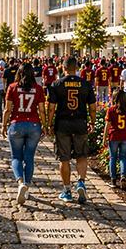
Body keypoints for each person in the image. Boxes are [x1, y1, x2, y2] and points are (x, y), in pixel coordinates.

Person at [47, 56, 97, 204]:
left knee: (64, 158)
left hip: (63, 124)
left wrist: (49, 124)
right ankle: (81, 182)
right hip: (80, 123)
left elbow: (51, 108)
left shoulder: (57, 84)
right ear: (77, 68)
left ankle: (67, 190)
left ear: (63, 68)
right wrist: (93, 122)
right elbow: (93, 108)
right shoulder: (85, 84)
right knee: (81, 156)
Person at [1, 63, 47, 205]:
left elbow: (7, 109)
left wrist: (3, 125)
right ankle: (27, 186)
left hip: (16, 124)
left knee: (16, 157)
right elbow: (41, 110)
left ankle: (20, 182)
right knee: (29, 158)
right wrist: (44, 125)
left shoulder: (12, 87)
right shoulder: (38, 89)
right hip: (33, 125)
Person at [102, 88, 126, 188]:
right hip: (125, 136)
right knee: (123, 157)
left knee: (113, 158)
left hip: (114, 136)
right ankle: (123, 176)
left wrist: (104, 138)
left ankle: (113, 180)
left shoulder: (111, 110)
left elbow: (107, 125)